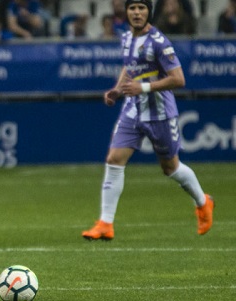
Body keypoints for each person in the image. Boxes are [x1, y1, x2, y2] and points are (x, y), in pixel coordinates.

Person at [81, 0, 214, 241]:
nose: (137, 13)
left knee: (170, 168)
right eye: (133, 8)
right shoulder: (126, 38)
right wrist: (118, 89)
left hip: (160, 113)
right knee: (114, 159)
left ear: (149, 12)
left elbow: (178, 79)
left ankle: (203, 202)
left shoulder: (159, 42)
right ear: (127, 12)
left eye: (142, 8)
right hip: (133, 110)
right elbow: (129, 67)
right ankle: (105, 223)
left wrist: (142, 87)